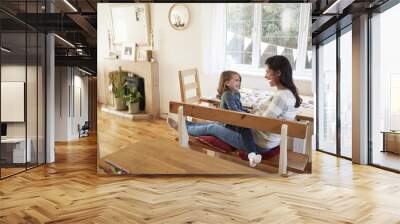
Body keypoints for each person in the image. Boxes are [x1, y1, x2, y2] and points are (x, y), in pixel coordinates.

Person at [170, 55, 302, 168]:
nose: (265, 75)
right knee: (215, 124)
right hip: (267, 139)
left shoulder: (281, 96)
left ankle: (183, 127)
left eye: (268, 72)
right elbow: (266, 118)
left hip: (258, 142)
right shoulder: (290, 94)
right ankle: (185, 125)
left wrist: (247, 115)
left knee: (213, 127)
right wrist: (252, 112)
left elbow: (262, 123)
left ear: (278, 73)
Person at [213, 70, 262, 167]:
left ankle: (252, 154)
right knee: (246, 129)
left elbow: (239, 107)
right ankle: (252, 154)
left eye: (239, 80)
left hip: (235, 120)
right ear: (226, 83)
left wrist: (247, 111)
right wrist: (248, 116)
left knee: (248, 128)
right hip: (227, 123)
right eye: (236, 80)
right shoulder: (227, 95)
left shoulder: (236, 93)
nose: (238, 83)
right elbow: (234, 111)